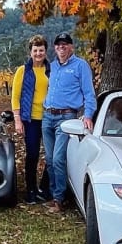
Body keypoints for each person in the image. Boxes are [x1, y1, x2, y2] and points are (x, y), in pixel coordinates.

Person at [41, 32, 97, 213]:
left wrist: (88, 114)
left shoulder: (81, 66)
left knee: (58, 158)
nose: (61, 47)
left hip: (66, 118)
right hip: (48, 116)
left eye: (65, 44)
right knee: (49, 159)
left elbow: (89, 93)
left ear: (71, 47)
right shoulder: (53, 66)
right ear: (55, 47)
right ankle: (53, 194)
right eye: (58, 45)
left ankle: (60, 199)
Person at [11, 34, 51, 204]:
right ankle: (31, 190)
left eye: (41, 50)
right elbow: (15, 97)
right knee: (32, 154)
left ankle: (45, 187)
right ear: (30, 52)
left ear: (45, 51)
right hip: (31, 119)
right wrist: (17, 120)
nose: (38, 53)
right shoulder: (23, 71)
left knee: (52, 156)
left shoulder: (52, 69)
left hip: (49, 118)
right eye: (35, 50)